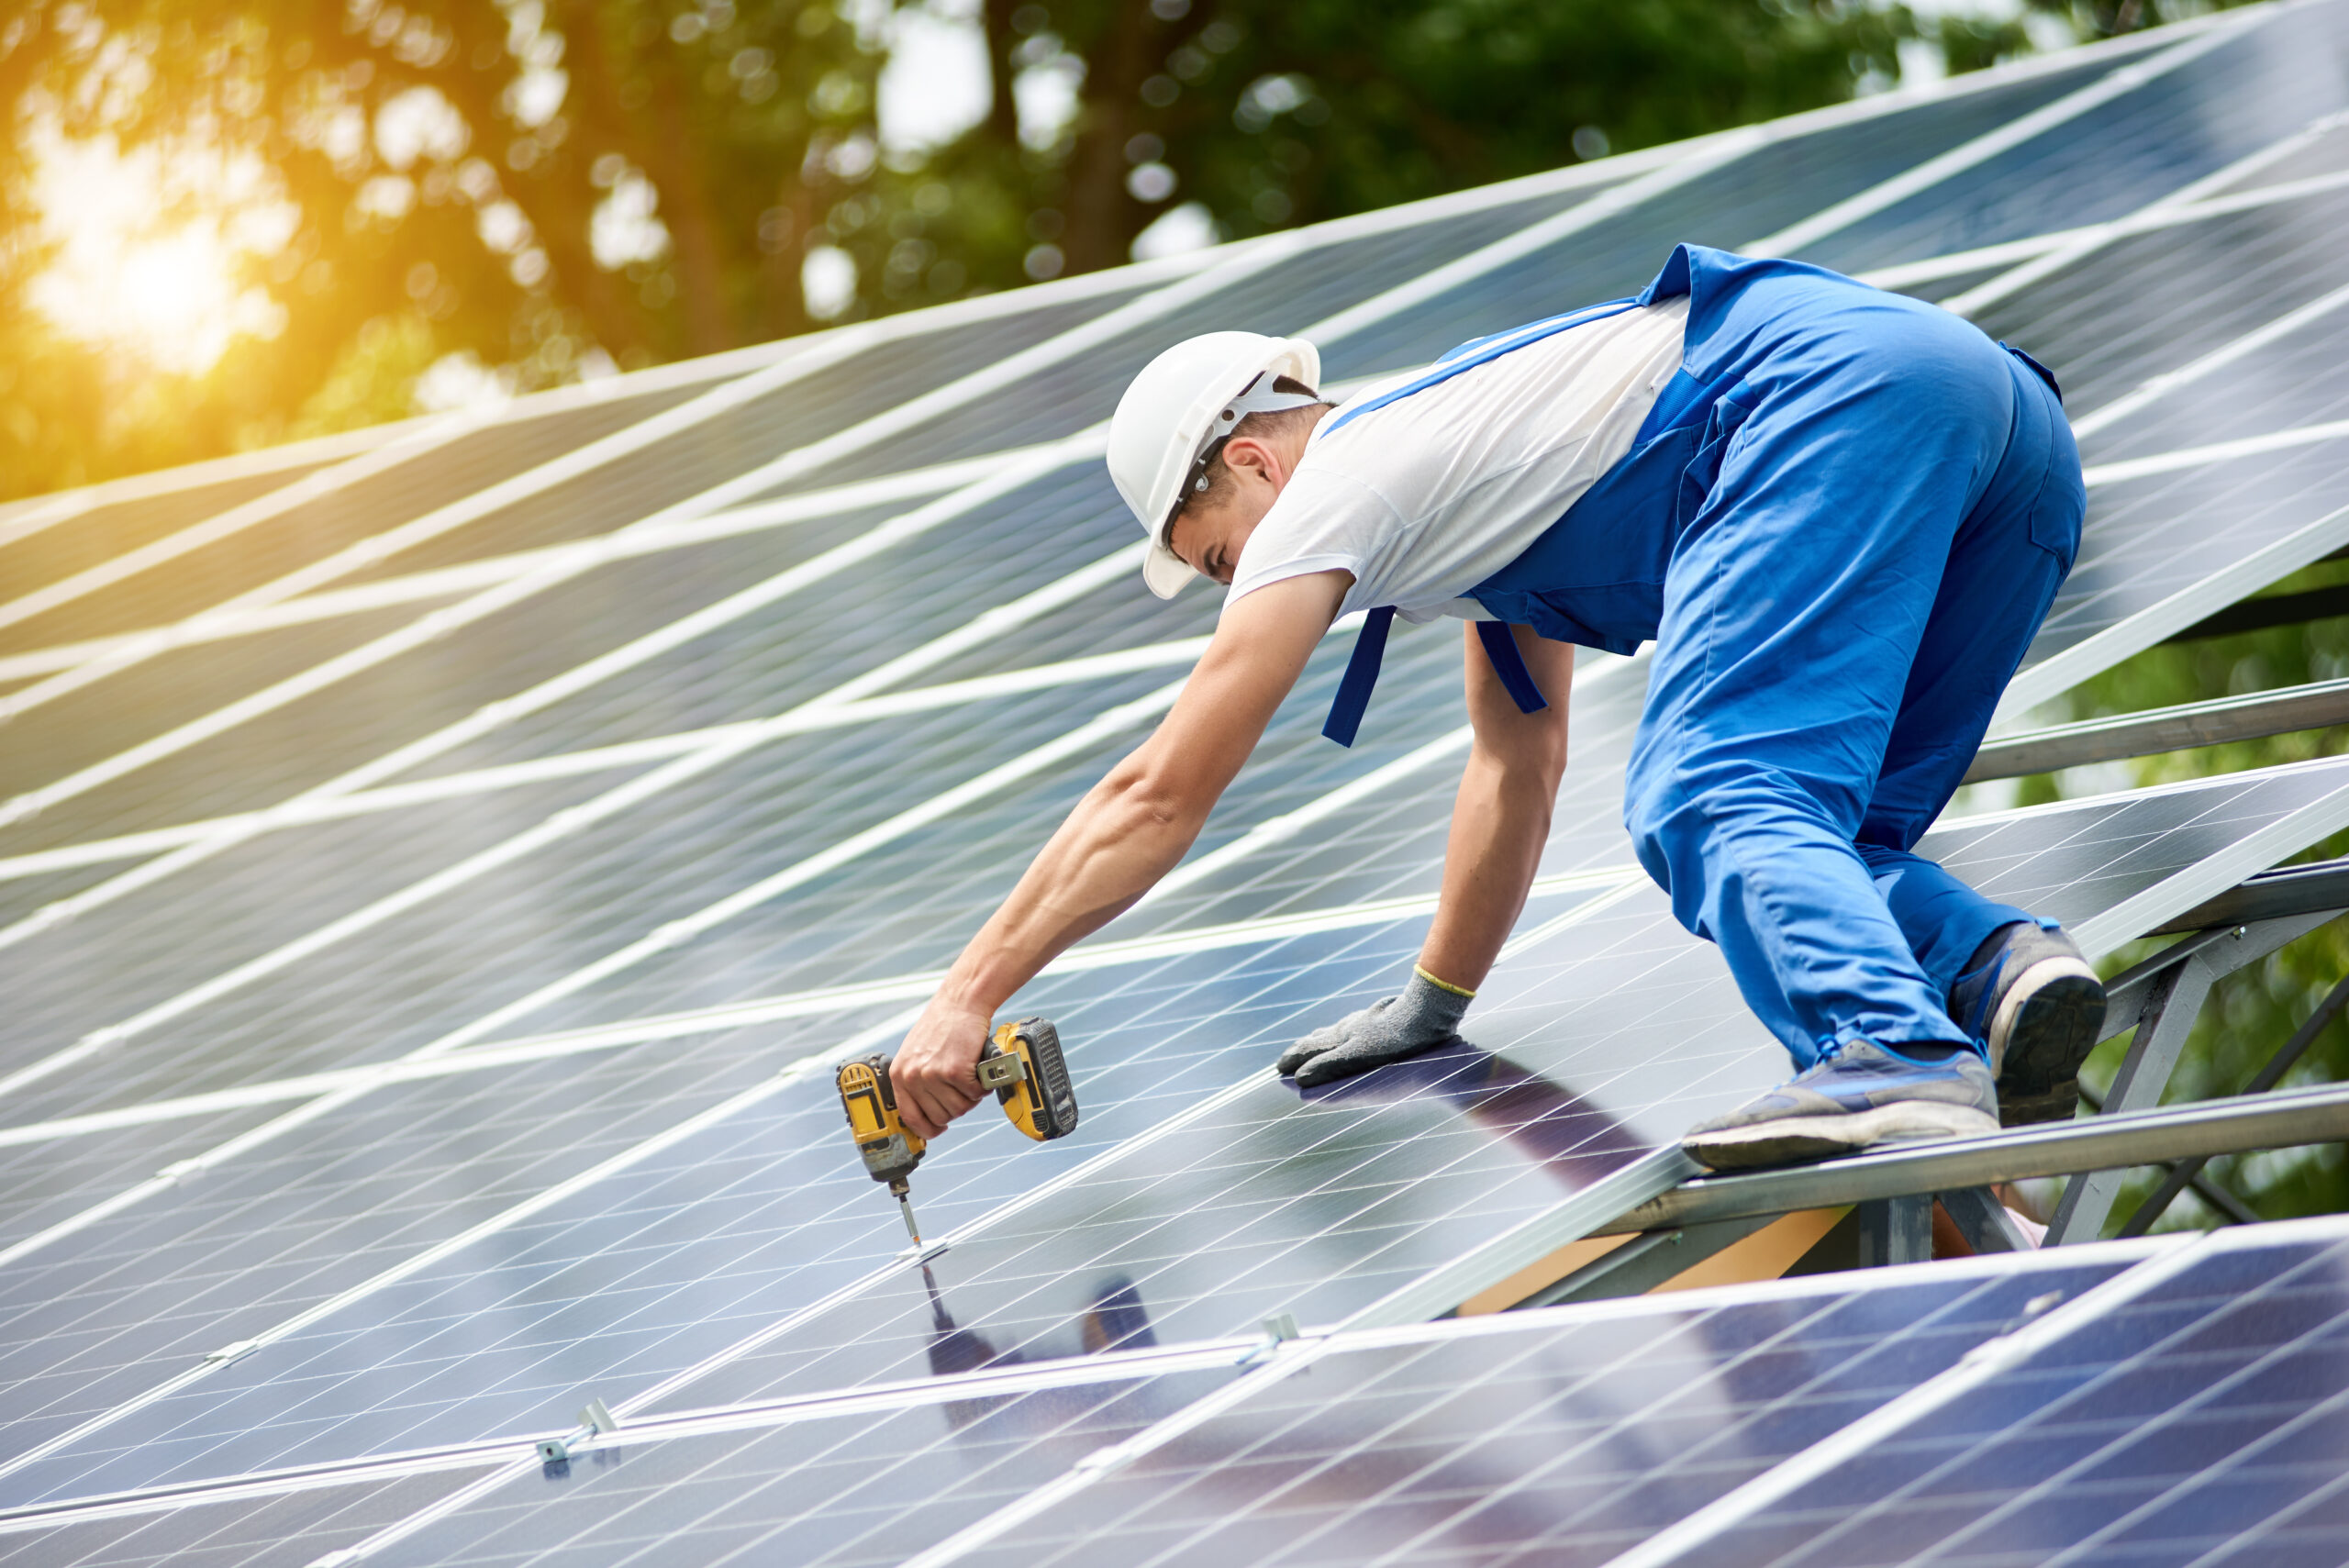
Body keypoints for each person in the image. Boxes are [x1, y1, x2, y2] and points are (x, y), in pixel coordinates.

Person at [886, 243, 2106, 1173]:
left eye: (1217, 563)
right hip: (1999, 417)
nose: (1236, 591)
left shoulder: (1337, 487)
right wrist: (1434, 1004)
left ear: (1253, 462)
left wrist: (966, 995)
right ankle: (1997, 966)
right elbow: (1514, 764)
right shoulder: (1470, 481)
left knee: (1714, 792)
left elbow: (1159, 792)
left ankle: (1894, 1052)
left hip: (1823, 396)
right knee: (1819, 850)